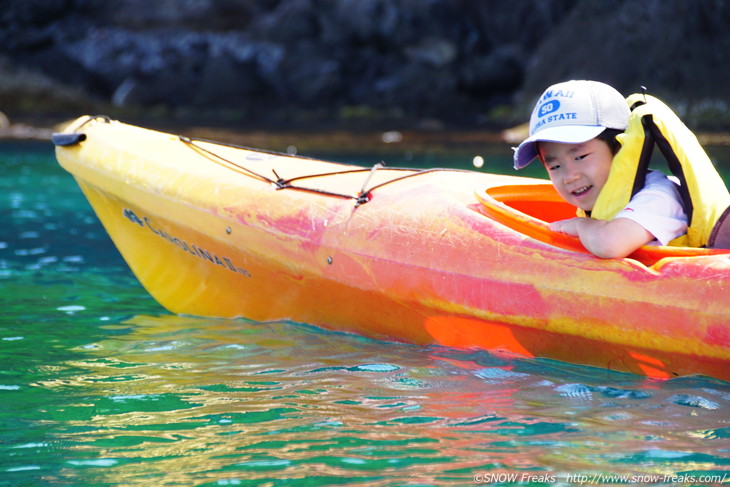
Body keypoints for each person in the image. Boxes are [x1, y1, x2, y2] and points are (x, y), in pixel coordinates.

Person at [512, 80, 688, 258]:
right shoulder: (599, 200)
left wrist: (581, 225)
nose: (569, 176)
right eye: (555, 166)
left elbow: (610, 245)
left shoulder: (660, 197)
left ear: (620, 148)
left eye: (580, 157)